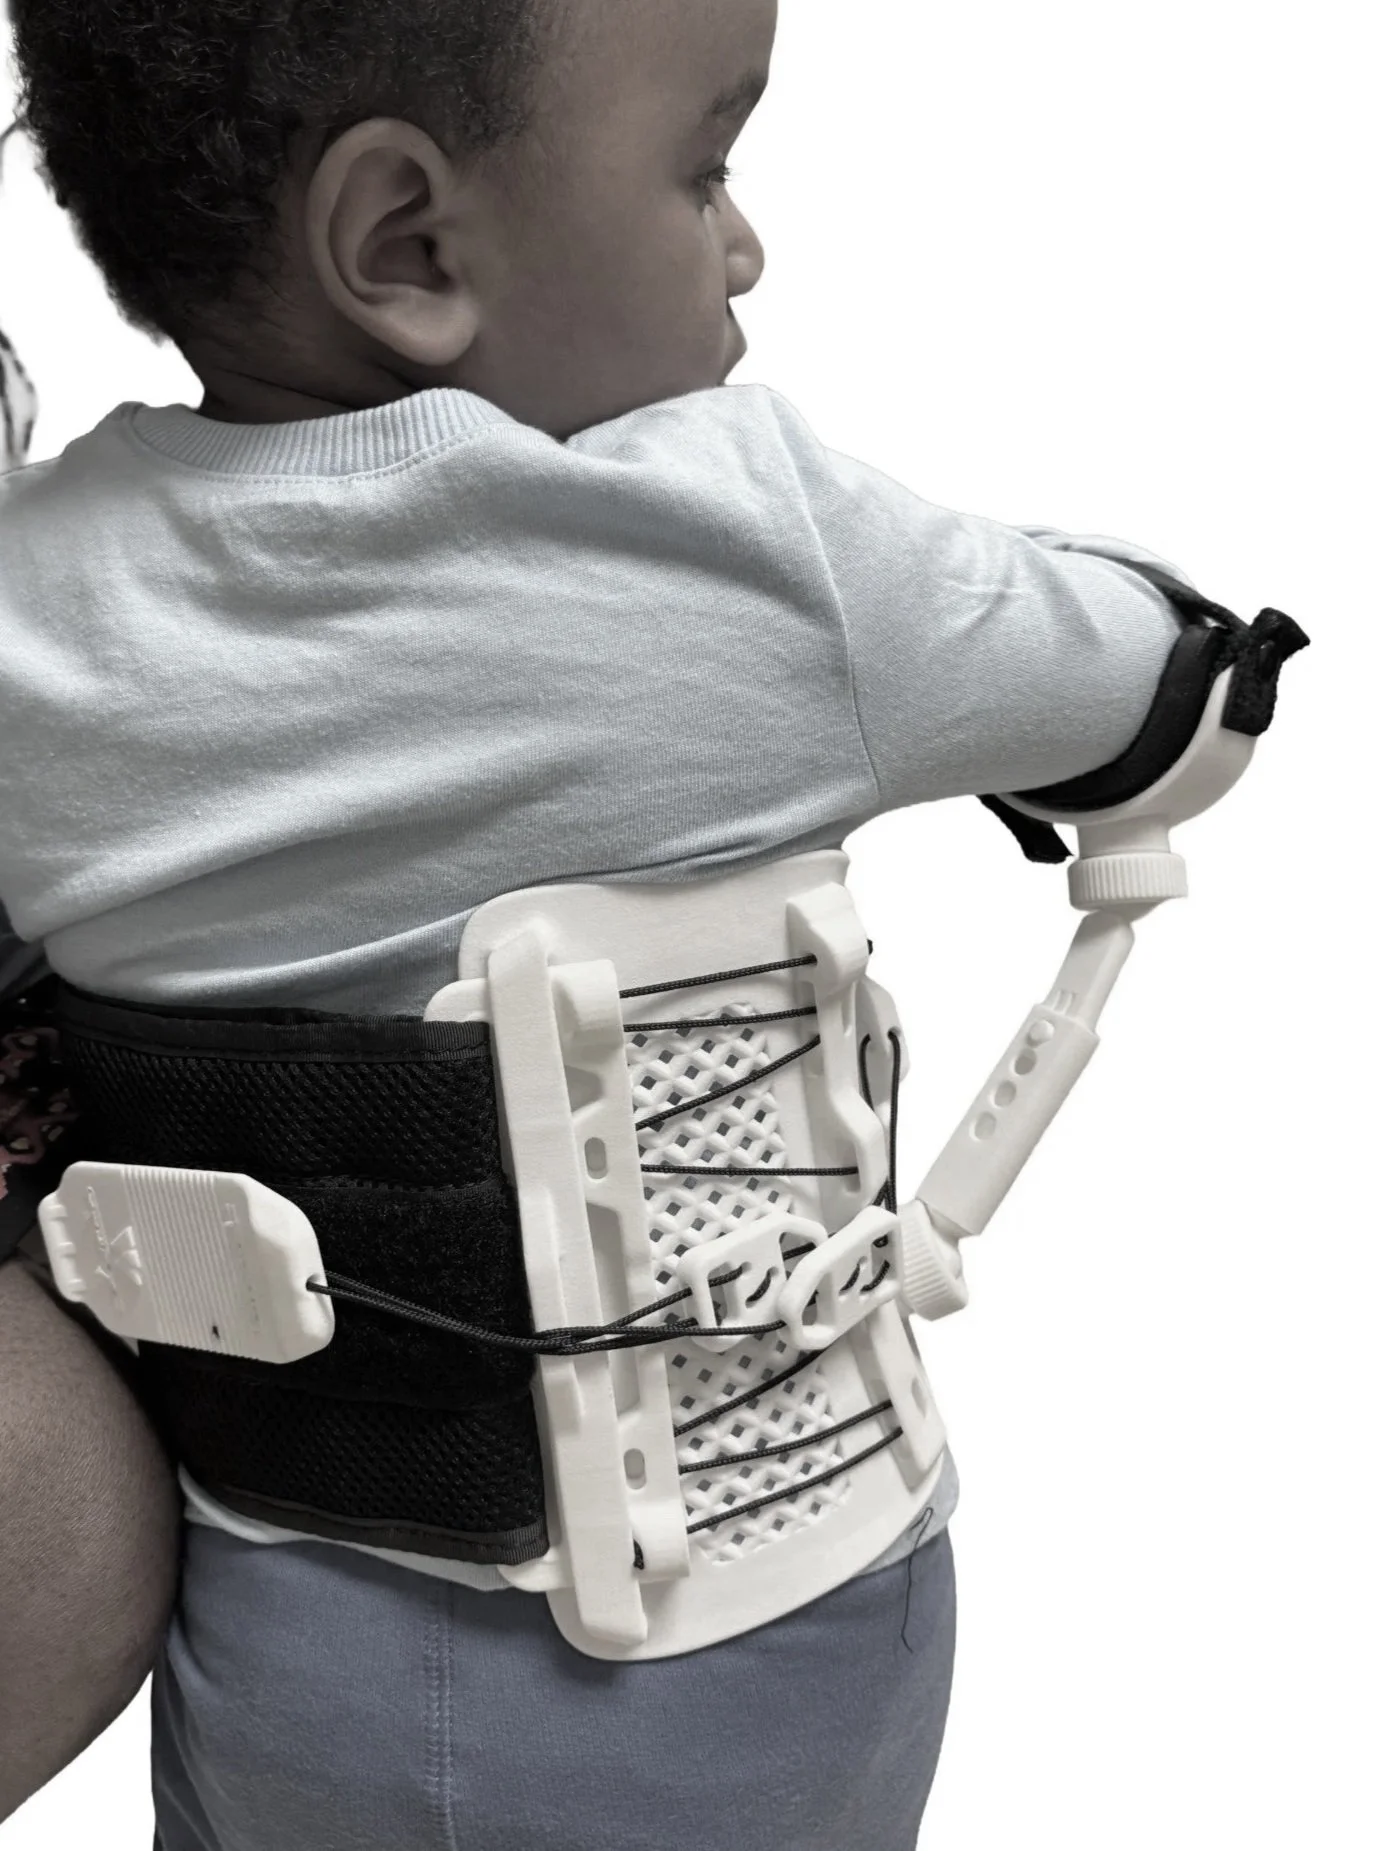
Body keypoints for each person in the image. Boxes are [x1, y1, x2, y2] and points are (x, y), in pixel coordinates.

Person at [0, 1, 1287, 1845]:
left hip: (280, 1654)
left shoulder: (29, 611)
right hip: (746, 1630)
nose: (745, 241)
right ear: (406, 248)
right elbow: (1172, 694)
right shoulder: (758, 546)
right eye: (708, 166)